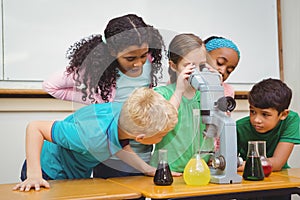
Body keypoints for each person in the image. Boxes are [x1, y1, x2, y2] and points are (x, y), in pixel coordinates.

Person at [42, 14, 166, 178]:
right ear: (113, 51)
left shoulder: (150, 64)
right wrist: (94, 99)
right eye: (130, 58)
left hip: (142, 153)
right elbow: (51, 86)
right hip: (111, 157)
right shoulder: (95, 68)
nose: (138, 63)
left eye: (143, 55)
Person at [13, 88, 179, 192]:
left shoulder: (125, 115)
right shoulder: (91, 135)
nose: (163, 137)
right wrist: (34, 175)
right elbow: (35, 127)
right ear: (140, 138)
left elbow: (117, 144)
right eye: (161, 135)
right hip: (47, 172)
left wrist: (146, 169)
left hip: (75, 173)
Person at [150, 33, 216, 172]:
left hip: (199, 170)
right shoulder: (162, 94)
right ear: (174, 66)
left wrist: (216, 87)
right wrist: (179, 91)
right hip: (169, 170)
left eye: (202, 65)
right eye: (189, 66)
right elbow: (161, 125)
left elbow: (217, 127)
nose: (197, 72)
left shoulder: (206, 95)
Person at [237, 78, 300, 172]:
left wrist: (240, 165)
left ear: (283, 114)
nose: (256, 120)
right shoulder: (238, 127)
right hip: (248, 177)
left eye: (265, 114)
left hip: (280, 177)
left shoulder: (290, 120)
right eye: (252, 111)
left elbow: (277, 164)